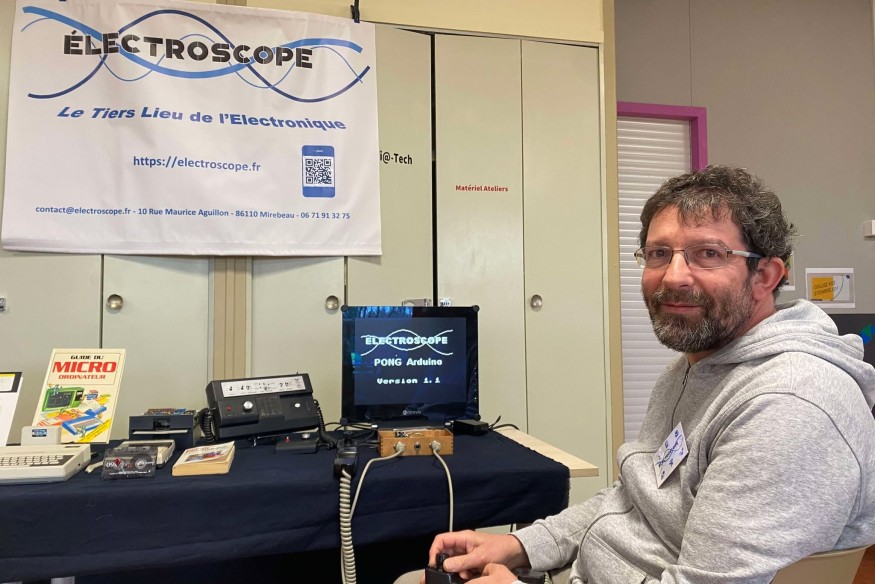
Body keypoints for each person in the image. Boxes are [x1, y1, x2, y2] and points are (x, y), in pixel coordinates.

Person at [395, 165, 875, 584]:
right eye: (659, 253)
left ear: (765, 276)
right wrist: (524, 546)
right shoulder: (688, 371)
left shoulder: (789, 407)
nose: (673, 276)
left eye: (708, 253)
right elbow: (633, 497)